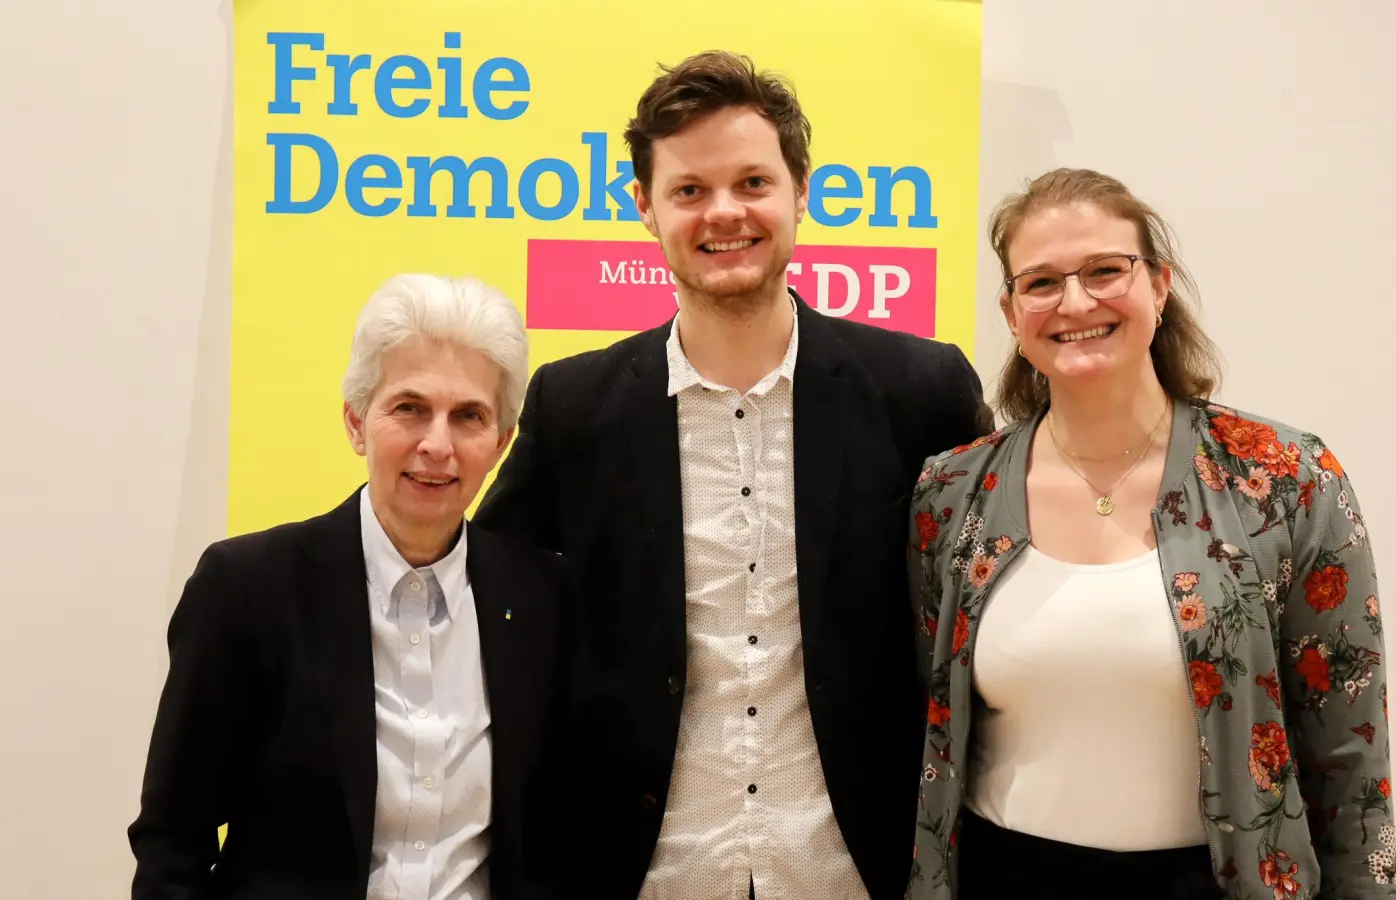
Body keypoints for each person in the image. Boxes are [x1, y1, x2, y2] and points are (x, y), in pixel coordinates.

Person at [474, 51, 985, 900]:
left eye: (752, 182)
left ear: (800, 192)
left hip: (857, 870)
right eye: (689, 190)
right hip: (647, 872)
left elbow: (991, 612)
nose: (725, 213)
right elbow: (485, 598)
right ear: (643, 207)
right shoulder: (575, 406)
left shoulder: (919, 391)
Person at [908, 169, 1396, 900]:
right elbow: (927, 720)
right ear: (1011, 312)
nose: (1076, 302)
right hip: (1004, 877)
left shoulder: (1285, 478)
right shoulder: (950, 496)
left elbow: (1348, 756)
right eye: (1041, 283)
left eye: (1106, 270)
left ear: (1160, 285)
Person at [129, 275, 573, 900]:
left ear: (500, 443)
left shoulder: (543, 601)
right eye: (410, 407)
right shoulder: (247, 589)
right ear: (357, 422)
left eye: (468, 416)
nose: (436, 445)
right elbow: (174, 840)